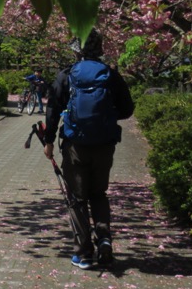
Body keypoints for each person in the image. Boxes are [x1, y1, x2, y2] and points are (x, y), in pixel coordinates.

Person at [42, 29, 134, 270]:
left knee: (77, 198)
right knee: (99, 194)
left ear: (77, 50)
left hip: (75, 146)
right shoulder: (111, 76)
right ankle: (104, 240)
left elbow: (52, 109)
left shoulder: (67, 75)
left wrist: (48, 141)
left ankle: (83, 253)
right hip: (104, 145)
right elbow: (127, 109)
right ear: (100, 49)